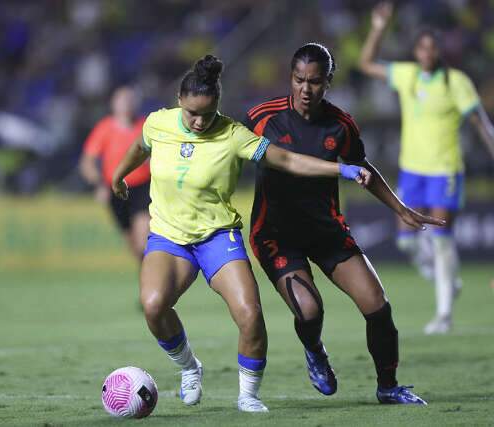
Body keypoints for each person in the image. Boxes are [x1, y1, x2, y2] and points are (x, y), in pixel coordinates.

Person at [111, 55, 371, 412]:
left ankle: (248, 395)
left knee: (250, 314)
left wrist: (341, 169)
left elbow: (289, 160)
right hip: (169, 237)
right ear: (179, 101)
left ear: (218, 103)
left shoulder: (234, 136)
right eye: (191, 113)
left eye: (207, 113)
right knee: (154, 307)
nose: (199, 121)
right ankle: (190, 368)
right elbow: (140, 147)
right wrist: (118, 176)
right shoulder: (158, 123)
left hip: (218, 237)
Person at [244, 43, 445, 405]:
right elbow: (225, 151)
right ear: (290, 78)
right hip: (275, 235)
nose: (306, 90)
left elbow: (364, 169)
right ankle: (315, 349)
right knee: (310, 309)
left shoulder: (341, 125)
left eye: (315, 82)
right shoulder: (261, 117)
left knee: (377, 304)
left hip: (326, 231)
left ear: (328, 82)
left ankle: (388, 387)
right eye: (299, 80)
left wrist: (400, 209)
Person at [358, 2, 494, 334]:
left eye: (432, 48)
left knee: (442, 240)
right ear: (417, 51)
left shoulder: (455, 82)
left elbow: (480, 121)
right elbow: (365, 63)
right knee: (407, 241)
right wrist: (377, 27)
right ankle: (444, 279)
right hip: (412, 171)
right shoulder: (407, 75)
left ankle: (444, 314)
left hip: (445, 170)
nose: (427, 53)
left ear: (439, 51)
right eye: (422, 48)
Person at [79, 86, 150, 262]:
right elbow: (87, 162)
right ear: (113, 104)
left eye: (129, 100)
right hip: (116, 189)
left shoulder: (145, 126)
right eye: (122, 100)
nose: (126, 104)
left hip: (143, 187)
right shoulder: (104, 129)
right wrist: (98, 185)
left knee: (143, 241)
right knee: (132, 243)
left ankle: (152, 275)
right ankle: (146, 273)